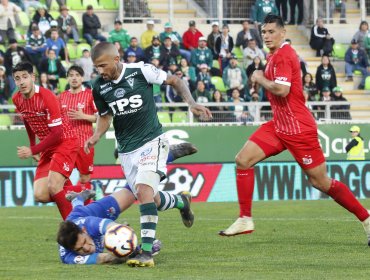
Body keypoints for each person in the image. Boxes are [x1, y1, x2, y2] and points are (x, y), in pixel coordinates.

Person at [218, 15, 370, 246]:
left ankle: (367, 219)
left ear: (283, 32)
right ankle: (245, 218)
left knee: (320, 182)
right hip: (279, 125)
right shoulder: (273, 56)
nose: (266, 36)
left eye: (271, 31)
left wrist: (261, 78)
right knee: (243, 160)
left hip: (299, 129)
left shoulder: (285, 55)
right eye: (264, 32)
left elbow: (281, 90)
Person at [84, 41, 212, 267]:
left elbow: (175, 80)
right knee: (151, 198)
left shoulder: (140, 70)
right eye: (97, 67)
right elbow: (105, 116)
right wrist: (96, 136)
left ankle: (145, 252)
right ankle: (182, 202)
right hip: (126, 151)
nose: (100, 71)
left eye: (103, 65)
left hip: (152, 140)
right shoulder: (98, 87)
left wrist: (191, 103)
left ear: (116, 59)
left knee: (143, 192)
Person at [57, 183, 190, 265]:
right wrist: (131, 252)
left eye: (85, 242)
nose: (86, 249)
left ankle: (170, 155)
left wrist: (121, 232)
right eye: (79, 249)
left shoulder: (88, 223)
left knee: (133, 191)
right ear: (71, 250)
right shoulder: (68, 257)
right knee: (76, 211)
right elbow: (104, 258)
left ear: (84, 231)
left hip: (87, 213)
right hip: (75, 218)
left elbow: (109, 226)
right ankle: (77, 199)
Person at [12, 61, 79, 220]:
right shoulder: (17, 99)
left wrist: (32, 151)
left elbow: (57, 133)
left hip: (65, 141)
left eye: (25, 77)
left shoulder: (47, 96)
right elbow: (28, 120)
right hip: (48, 147)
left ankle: (73, 229)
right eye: (17, 78)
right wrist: (33, 144)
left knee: (54, 186)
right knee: (40, 195)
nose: (21, 82)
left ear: (32, 77)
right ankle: (80, 192)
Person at [59, 65, 97, 195]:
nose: (74, 78)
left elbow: (100, 118)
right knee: (61, 177)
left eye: (77, 75)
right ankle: (71, 206)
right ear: (67, 78)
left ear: (82, 78)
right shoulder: (62, 97)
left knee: (84, 178)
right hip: (65, 145)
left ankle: (85, 208)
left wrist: (83, 116)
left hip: (84, 143)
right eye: (71, 75)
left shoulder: (90, 95)